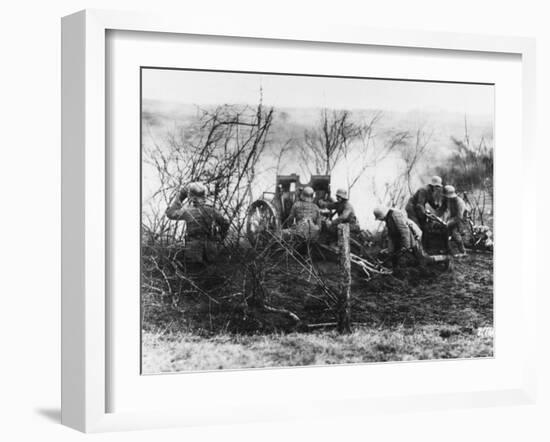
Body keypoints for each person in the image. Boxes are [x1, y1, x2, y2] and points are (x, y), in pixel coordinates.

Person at [165, 182, 229, 264]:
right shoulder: (212, 210)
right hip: (210, 249)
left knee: (193, 274)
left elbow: (170, 214)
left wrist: (181, 196)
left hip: (193, 250)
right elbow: (225, 223)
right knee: (211, 273)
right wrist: (219, 237)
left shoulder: (187, 211)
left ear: (190, 196)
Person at [373, 206, 444, 272]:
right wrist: (390, 250)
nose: (380, 220)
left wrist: (406, 246)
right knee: (397, 256)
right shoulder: (388, 219)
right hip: (405, 238)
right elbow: (391, 236)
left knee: (424, 258)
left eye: (379, 218)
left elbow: (405, 231)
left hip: (414, 236)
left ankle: (444, 258)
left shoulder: (395, 215)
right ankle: (396, 271)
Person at [439, 185, 468, 257]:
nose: (448, 198)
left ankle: (463, 251)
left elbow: (459, 216)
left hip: (462, 219)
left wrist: (448, 223)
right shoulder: (447, 200)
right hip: (453, 218)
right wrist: (438, 217)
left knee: (455, 233)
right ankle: (447, 249)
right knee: (444, 231)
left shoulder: (459, 202)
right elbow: (442, 209)